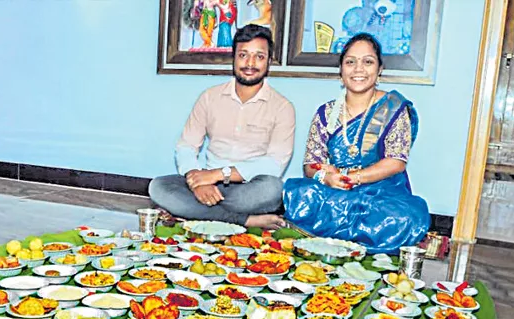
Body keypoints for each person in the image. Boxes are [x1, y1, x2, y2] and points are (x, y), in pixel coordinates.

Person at [282, 33, 430, 253]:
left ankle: (331, 235)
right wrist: (327, 177)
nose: (358, 69)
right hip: (338, 188)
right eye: (350, 62)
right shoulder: (327, 112)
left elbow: (396, 162)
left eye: (368, 62)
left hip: (383, 192)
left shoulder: (394, 108)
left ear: (379, 69)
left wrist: (355, 177)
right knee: (300, 193)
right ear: (341, 71)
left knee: (406, 217)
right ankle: (351, 238)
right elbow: (311, 164)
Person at [149, 24, 295, 230]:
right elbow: (186, 147)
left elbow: (274, 164)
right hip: (208, 184)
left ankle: (196, 213)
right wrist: (197, 181)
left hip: (249, 189)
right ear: (233, 58)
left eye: (259, 57)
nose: (250, 63)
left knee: (272, 190)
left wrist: (219, 174)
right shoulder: (210, 97)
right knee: (158, 187)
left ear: (269, 62)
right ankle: (245, 220)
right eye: (243, 55)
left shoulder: (282, 107)